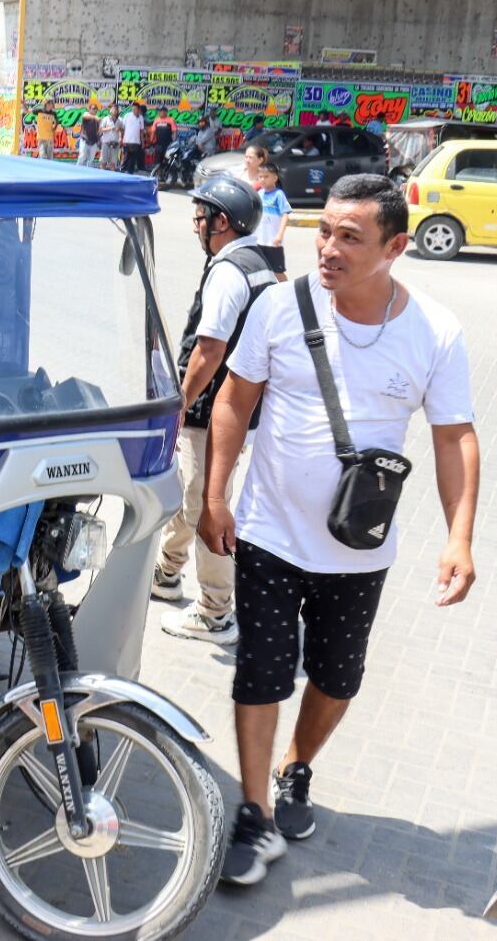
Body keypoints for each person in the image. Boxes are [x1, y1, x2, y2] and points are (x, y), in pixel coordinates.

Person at [199, 173, 479, 887]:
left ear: (395, 248)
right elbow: (234, 400)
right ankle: (255, 812)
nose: (327, 247)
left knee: (336, 676)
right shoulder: (278, 306)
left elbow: (454, 437)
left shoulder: (434, 332)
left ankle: (297, 767)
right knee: (260, 670)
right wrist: (215, 494)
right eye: (323, 230)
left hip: (358, 549)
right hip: (268, 532)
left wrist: (459, 537)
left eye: (349, 237)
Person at [154, 175, 275, 646]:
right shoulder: (259, 262)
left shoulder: (228, 272)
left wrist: (180, 402)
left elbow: (209, 350)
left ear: (221, 221)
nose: (195, 225)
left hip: (214, 409)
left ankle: (215, 612)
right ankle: (167, 572)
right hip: (240, 408)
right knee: (193, 491)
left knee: (207, 504)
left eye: (200, 216)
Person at [254, 161, 292, 281]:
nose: (262, 179)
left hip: (273, 242)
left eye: (266, 176)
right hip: (259, 241)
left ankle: (287, 289)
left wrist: (280, 235)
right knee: (260, 270)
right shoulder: (259, 194)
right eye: (260, 176)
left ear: (275, 178)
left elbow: (285, 215)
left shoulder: (279, 195)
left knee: (277, 272)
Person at [121, 101, 146, 174]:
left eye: (135, 109)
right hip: (127, 141)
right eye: (133, 109)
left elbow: (141, 131)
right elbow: (123, 128)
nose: (133, 110)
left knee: (133, 159)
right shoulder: (127, 115)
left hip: (136, 142)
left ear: (139, 109)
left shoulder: (141, 117)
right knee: (126, 157)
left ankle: (130, 172)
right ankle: (122, 171)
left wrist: (143, 142)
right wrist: (121, 139)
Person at [98, 105, 120, 170]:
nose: (115, 111)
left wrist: (119, 129)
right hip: (106, 143)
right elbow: (100, 130)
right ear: (110, 110)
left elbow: (123, 130)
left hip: (115, 144)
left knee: (113, 164)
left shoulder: (120, 120)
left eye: (116, 109)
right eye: (113, 109)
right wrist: (110, 128)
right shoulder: (105, 119)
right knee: (103, 162)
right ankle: (101, 175)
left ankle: (112, 175)